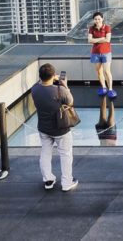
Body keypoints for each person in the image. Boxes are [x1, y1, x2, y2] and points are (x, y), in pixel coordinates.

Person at [31, 63, 78, 192]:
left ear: (40, 76)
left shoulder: (34, 89)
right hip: (60, 128)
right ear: (53, 76)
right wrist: (65, 85)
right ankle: (67, 182)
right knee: (65, 155)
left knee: (45, 153)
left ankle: (48, 179)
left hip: (43, 128)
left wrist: (50, 79)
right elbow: (70, 102)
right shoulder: (60, 90)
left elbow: (42, 85)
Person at [88, 11, 116, 99]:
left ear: (102, 19)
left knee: (107, 71)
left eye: (99, 19)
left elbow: (107, 40)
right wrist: (101, 38)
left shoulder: (107, 28)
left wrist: (95, 39)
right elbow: (89, 40)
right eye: (95, 19)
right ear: (93, 20)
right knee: (99, 71)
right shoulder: (91, 28)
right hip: (95, 53)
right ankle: (104, 87)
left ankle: (110, 89)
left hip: (106, 52)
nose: (97, 21)